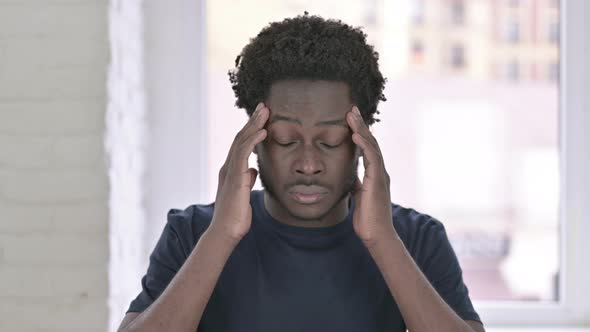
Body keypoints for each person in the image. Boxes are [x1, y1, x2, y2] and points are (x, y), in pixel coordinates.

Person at [117, 14, 485, 332]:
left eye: (329, 141)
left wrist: (382, 240)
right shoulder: (193, 232)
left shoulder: (416, 238)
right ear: (254, 141)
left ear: (361, 144)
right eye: (286, 139)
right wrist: (222, 236)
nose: (308, 164)